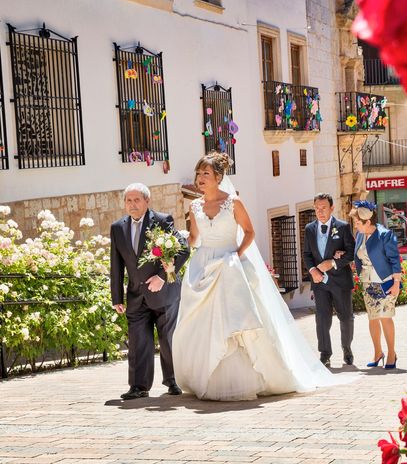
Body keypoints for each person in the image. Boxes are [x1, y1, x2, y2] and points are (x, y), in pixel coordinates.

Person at [172, 153, 354, 401]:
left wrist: (235, 255)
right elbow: (194, 238)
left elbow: (249, 232)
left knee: (237, 321)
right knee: (202, 321)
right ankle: (204, 375)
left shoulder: (233, 203)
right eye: (199, 174)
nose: (200, 178)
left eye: (206, 174)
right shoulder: (194, 206)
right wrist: (175, 245)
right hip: (204, 265)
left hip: (230, 265)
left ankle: (248, 377)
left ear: (218, 177)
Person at [110, 183, 190, 400]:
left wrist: (163, 277)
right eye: (128, 200)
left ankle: (173, 380)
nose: (132, 204)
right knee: (138, 342)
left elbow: (183, 250)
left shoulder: (163, 221)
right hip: (136, 295)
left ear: (147, 201)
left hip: (164, 293)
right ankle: (138, 386)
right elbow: (115, 264)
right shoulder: (118, 228)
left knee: (167, 339)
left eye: (137, 200)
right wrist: (116, 297)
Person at [302, 193, 356, 368]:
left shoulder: (343, 227)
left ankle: (347, 348)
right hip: (320, 283)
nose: (320, 211)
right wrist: (313, 271)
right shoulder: (309, 229)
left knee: (346, 317)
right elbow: (307, 254)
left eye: (324, 208)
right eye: (317, 208)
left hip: (341, 281)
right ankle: (325, 354)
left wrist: (333, 262)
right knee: (322, 319)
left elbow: (350, 253)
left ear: (332, 208)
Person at [349, 200, 401, 370]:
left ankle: (392, 353)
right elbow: (360, 256)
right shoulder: (359, 236)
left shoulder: (385, 235)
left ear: (367, 222)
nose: (356, 226)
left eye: (358, 223)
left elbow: (395, 261)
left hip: (385, 282)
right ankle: (378, 353)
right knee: (372, 319)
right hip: (368, 283)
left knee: (386, 318)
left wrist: (396, 284)